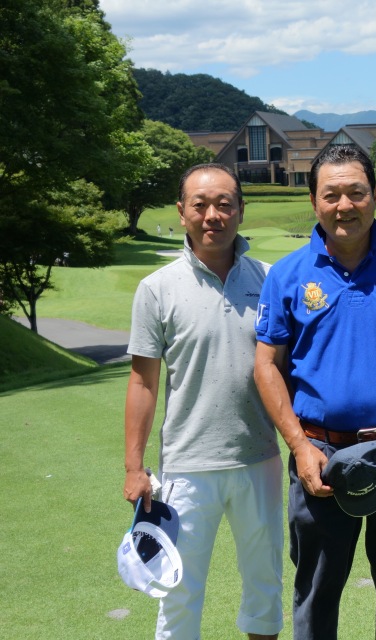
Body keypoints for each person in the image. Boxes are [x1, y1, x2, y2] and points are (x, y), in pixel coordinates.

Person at [253, 145, 376, 640]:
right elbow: (266, 366)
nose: (345, 205)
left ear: (375, 195)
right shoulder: (288, 274)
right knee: (317, 590)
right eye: (332, 195)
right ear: (314, 201)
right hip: (320, 453)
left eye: (356, 192)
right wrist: (299, 445)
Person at [123, 162, 284, 640]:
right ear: (182, 212)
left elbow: (289, 369)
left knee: (265, 586)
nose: (213, 215)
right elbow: (143, 383)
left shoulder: (271, 280)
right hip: (186, 466)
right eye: (200, 205)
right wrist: (134, 466)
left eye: (224, 204)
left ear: (241, 210)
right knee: (178, 592)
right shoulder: (156, 289)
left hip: (259, 458)